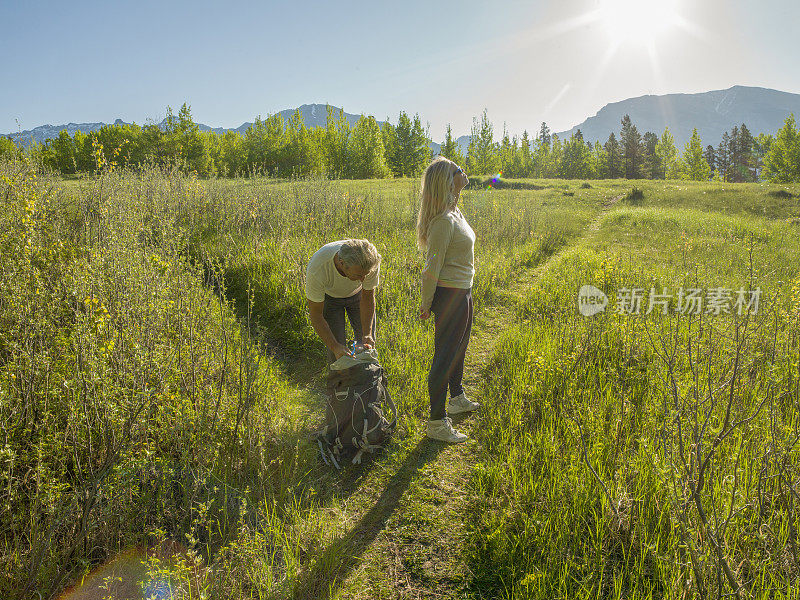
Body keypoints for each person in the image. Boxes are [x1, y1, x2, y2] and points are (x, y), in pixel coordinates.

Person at [417, 157, 480, 443]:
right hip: (449, 295)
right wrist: (427, 304)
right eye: (458, 171)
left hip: (463, 291)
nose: (464, 172)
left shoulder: (456, 212)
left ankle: (456, 398)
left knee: (460, 348)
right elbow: (431, 269)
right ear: (447, 180)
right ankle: (437, 422)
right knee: (444, 356)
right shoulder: (442, 222)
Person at [306, 239, 381, 364]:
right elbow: (316, 315)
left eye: (365, 275)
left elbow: (367, 297)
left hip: (358, 296)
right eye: (358, 275)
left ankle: (366, 379)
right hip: (330, 299)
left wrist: (367, 333)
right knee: (338, 353)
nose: (363, 279)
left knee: (366, 346)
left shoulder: (370, 262)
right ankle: (340, 380)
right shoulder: (318, 268)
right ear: (341, 263)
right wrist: (335, 347)